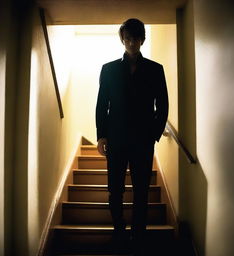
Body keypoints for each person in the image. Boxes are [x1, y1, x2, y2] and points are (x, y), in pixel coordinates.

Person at [95, 18, 169, 255]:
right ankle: (119, 230)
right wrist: (101, 136)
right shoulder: (109, 69)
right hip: (115, 140)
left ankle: (139, 233)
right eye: (127, 38)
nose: (131, 42)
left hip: (143, 141)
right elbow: (101, 104)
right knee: (115, 189)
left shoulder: (156, 70)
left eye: (135, 38)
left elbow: (163, 105)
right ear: (122, 39)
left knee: (141, 190)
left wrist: (154, 135)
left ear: (142, 40)